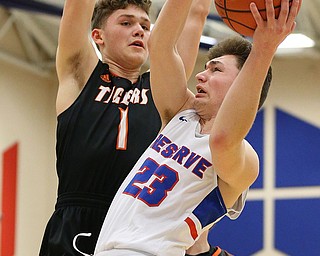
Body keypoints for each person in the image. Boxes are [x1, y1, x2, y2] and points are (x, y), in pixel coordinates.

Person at [93, 0, 301, 255]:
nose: (201, 76)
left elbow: (223, 138)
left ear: (241, 84)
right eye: (205, 69)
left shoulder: (246, 159)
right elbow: (159, 46)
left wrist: (264, 49)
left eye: (216, 70)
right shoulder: (181, 114)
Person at [39, 0, 224, 255]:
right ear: (98, 36)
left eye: (145, 26)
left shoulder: (163, 91)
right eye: (126, 23)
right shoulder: (80, 73)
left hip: (136, 227)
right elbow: (76, 6)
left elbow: (196, 12)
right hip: (76, 222)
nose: (139, 30)